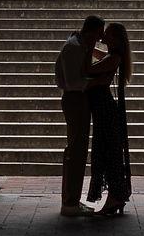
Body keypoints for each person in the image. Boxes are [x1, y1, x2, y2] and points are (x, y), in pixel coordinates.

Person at [55, 15, 105, 217]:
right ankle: (70, 202)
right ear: (91, 32)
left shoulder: (80, 44)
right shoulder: (74, 48)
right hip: (75, 99)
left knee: (77, 149)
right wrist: (97, 81)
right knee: (76, 151)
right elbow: (73, 82)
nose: (100, 39)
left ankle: (71, 199)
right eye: (99, 35)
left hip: (78, 100)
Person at [84, 22, 133, 216]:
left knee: (109, 154)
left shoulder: (113, 58)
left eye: (107, 34)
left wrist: (87, 45)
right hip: (102, 110)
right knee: (106, 153)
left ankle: (115, 198)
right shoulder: (111, 55)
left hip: (105, 110)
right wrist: (88, 44)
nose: (103, 36)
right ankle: (115, 198)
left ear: (116, 39)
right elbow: (97, 54)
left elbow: (87, 69)